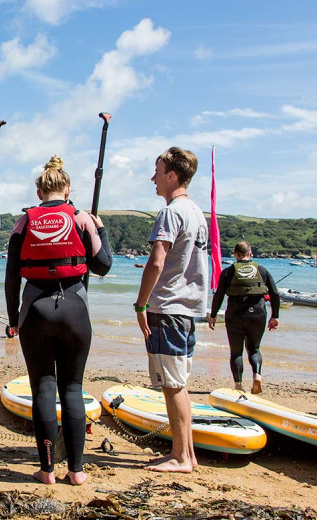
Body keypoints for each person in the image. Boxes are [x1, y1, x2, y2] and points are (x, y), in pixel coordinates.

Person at [5, 156, 112, 485]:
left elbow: (11, 278)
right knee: (72, 388)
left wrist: (13, 320)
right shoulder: (81, 218)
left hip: (35, 308)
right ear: (67, 190)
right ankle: (77, 470)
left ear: (39, 192)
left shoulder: (24, 222)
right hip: (74, 308)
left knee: (43, 388)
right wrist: (102, 229)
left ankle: (47, 469)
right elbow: (103, 265)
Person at [134, 147, 208, 474]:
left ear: (172, 175)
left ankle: (181, 457)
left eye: (157, 170)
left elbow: (156, 261)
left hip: (167, 308)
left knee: (172, 384)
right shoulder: (196, 212)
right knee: (179, 383)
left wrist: (140, 304)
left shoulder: (171, 212)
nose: (153, 177)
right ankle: (186, 454)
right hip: (187, 309)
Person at [209, 241, 280, 394]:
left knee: (236, 352)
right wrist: (275, 316)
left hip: (235, 316)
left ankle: (239, 386)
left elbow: (219, 295)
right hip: (258, 315)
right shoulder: (262, 270)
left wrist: (213, 315)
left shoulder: (228, 272)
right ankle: (257, 375)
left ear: (235, 254)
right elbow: (275, 294)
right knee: (254, 349)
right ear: (250, 254)